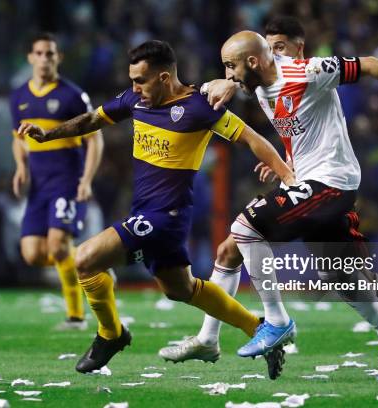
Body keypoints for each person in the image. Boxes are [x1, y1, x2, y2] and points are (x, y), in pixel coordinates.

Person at [160, 18, 378, 379]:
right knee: (348, 277)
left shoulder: (310, 71)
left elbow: (371, 64)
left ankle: (273, 322)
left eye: (278, 46)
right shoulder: (259, 86)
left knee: (244, 229)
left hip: (332, 181)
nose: (274, 52)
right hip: (308, 181)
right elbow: (292, 125)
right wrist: (285, 161)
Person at [17, 40, 296, 377]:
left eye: (141, 80)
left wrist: (288, 177)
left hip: (166, 216)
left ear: (164, 77)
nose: (134, 88)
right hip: (147, 211)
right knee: (181, 289)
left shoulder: (200, 107)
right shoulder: (136, 100)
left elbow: (252, 139)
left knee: (86, 259)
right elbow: (91, 120)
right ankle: (259, 329)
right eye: (132, 80)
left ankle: (111, 334)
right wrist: (48, 135)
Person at [9, 32, 103, 330]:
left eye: (50, 53)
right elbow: (17, 139)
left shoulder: (73, 95)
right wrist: (20, 166)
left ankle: (75, 316)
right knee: (33, 254)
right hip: (38, 183)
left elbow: (94, 139)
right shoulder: (19, 97)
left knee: (58, 245)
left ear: (58, 57)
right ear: (30, 57)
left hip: (66, 179)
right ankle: (90, 264)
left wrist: (86, 179)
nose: (44, 58)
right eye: (39, 53)